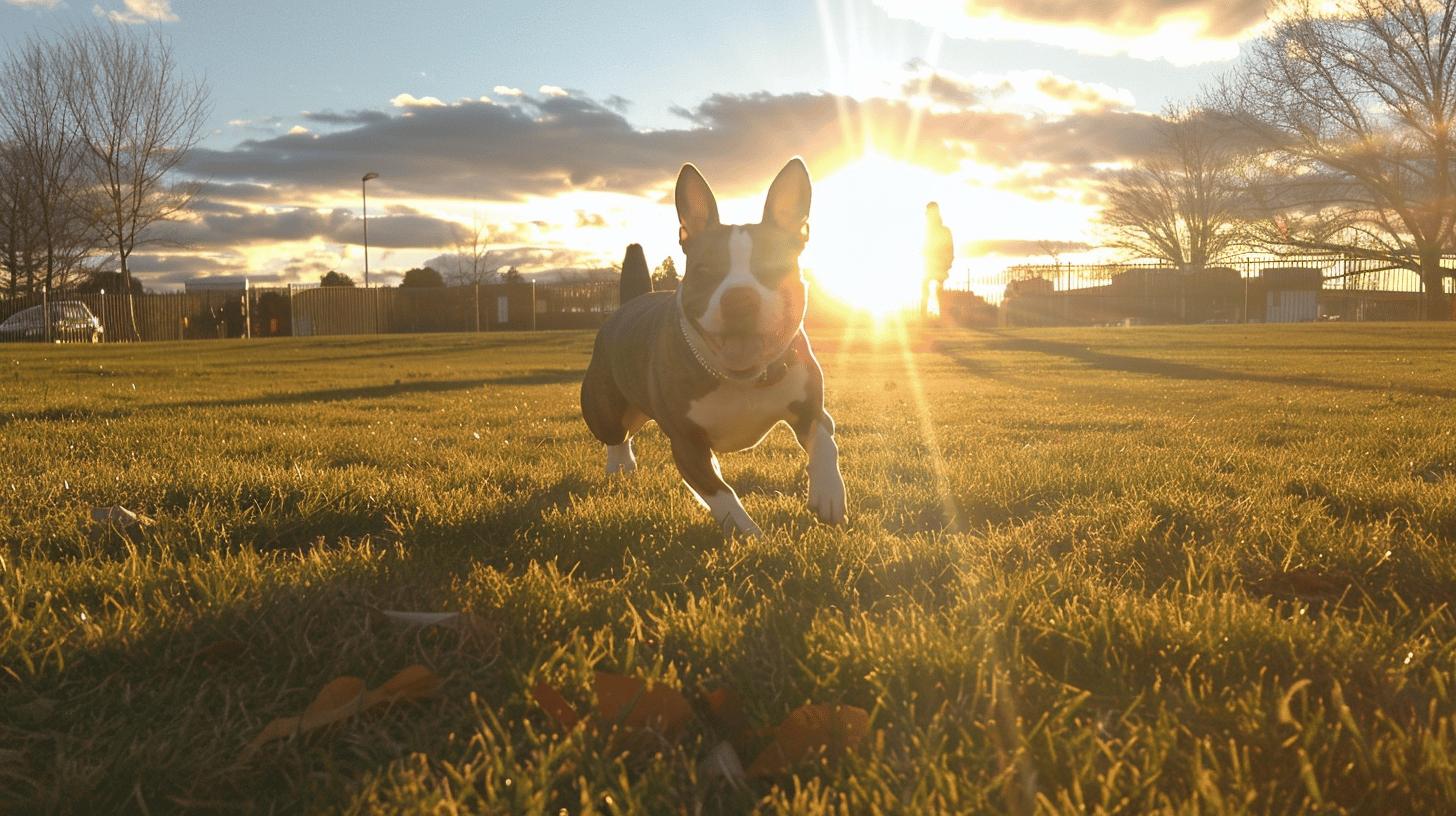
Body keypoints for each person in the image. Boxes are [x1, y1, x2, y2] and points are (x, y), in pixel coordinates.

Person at [922, 202, 953, 319]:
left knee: (938, 290)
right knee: (927, 287)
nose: (926, 215)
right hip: (930, 265)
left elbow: (949, 248)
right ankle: (925, 317)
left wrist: (948, 263)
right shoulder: (928, 230)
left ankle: (942, 317)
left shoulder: (943, 230)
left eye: (928, 212)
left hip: (939, 264)